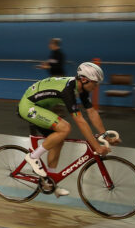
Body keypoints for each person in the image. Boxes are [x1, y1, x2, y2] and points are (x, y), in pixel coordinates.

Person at [18, 61, 119, 196]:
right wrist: (97, 147)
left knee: (59, 139)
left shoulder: (81, 88)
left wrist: (104, 135)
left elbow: (92, 113)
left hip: (41, 107)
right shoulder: (68, 90)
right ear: (84, 79)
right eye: (95, 83)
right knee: (65, 128)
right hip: (29, 106)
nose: (96, 87)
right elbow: (80, 121)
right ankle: (33, 156)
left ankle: (50, 181)